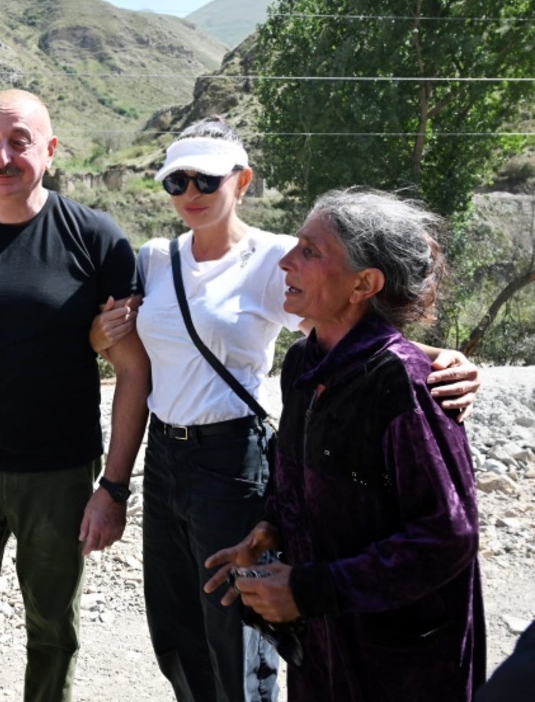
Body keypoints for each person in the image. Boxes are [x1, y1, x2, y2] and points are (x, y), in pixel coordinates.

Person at [91, 117, 481, 702]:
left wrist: (439, 358)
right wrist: (99, 341)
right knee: (177, 625)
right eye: (177, 182)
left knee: (238, 630)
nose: (190, 194)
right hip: (165, 459)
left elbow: (362, 327)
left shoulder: (275, 260)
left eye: (206, 180)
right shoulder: (156, 259)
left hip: (230, 458)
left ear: (241, 181)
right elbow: (134, 361)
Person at [0, 89, 151, 701]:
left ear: (50, 149)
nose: (2, 156)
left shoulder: (97, 239)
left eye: (19, 142)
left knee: (53, 629)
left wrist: (113, 488)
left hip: (61, 473)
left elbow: (133, 370)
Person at [204, 189, 484, 701]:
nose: (287, 261)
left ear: (364, 284)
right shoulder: (304, 365)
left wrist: (310, 589)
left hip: (401, 665)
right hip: (324, 650)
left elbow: (450, 534)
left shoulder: (403, 381)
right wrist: (272, 528)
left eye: (310, 251)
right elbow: (298, 479)